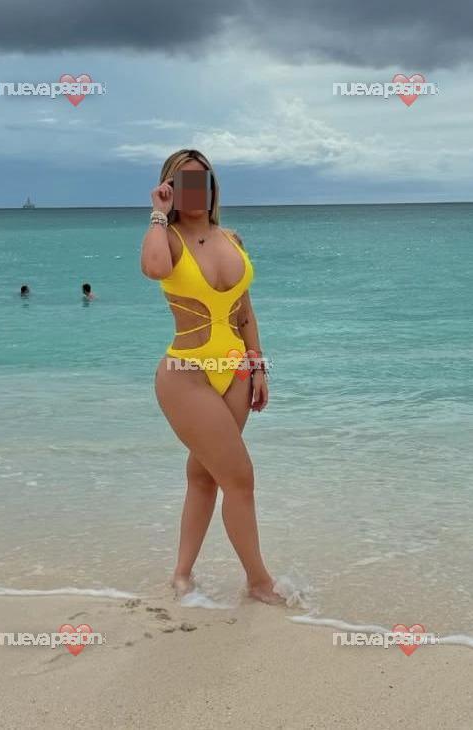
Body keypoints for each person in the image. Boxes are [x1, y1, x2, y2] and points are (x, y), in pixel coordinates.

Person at [140, 148, 283, 605]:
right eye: (182, 181)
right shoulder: (168, 239)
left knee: (204, 476)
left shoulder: (232, 238)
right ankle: (259, 582)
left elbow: (245, 312)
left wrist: (258, 368)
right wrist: (158, 213)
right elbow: (153, 269)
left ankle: (182, 575)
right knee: (240, 477)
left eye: (201, 180)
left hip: (235, 372)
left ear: (212, 186)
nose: (194, 189)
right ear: (170, 187)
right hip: (186, 375)